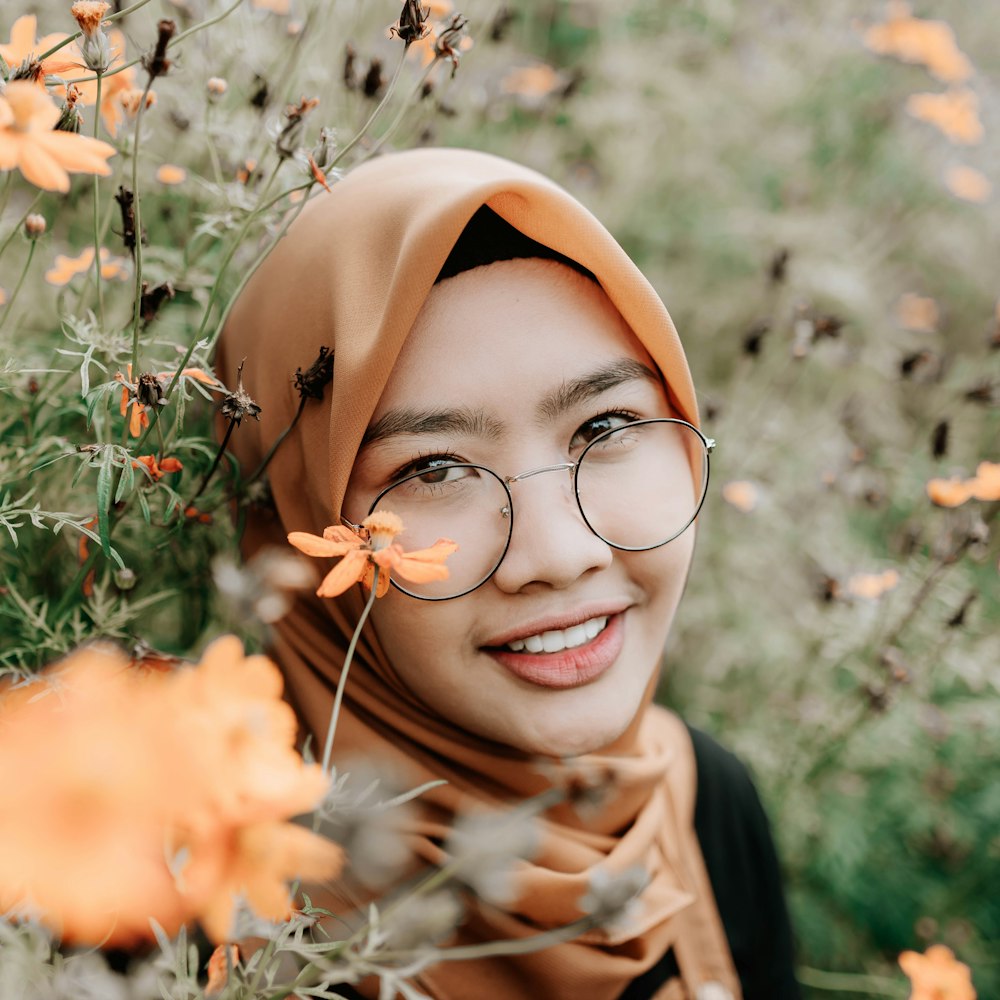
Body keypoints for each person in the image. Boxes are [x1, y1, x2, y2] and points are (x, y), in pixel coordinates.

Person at [217, 147, 800, 1000]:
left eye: (606, 426)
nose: (559, 555)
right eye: (434, 470)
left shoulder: (703, 804)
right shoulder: (211, 921)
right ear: (295, 518)